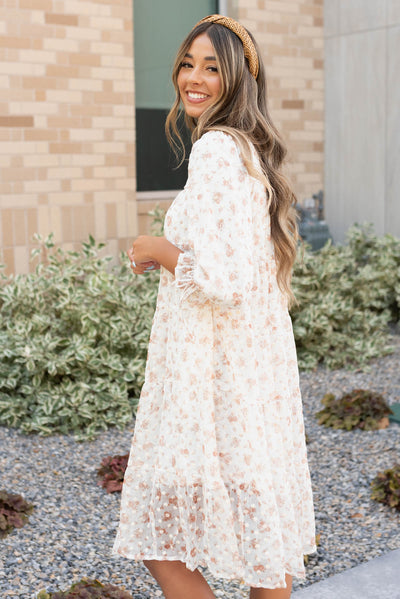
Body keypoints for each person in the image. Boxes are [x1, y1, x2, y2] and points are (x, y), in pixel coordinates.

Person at [113, 14, 316, 599]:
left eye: (212, 68)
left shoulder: (218, 150)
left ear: (237, 82)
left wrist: (159, 248)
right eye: (187, 63)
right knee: (263, 534)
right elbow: (244, 268)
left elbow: (221, 278)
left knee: (159, 536)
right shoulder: (249, 153)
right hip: (251, 365)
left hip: (214, 369)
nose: (194, 78)